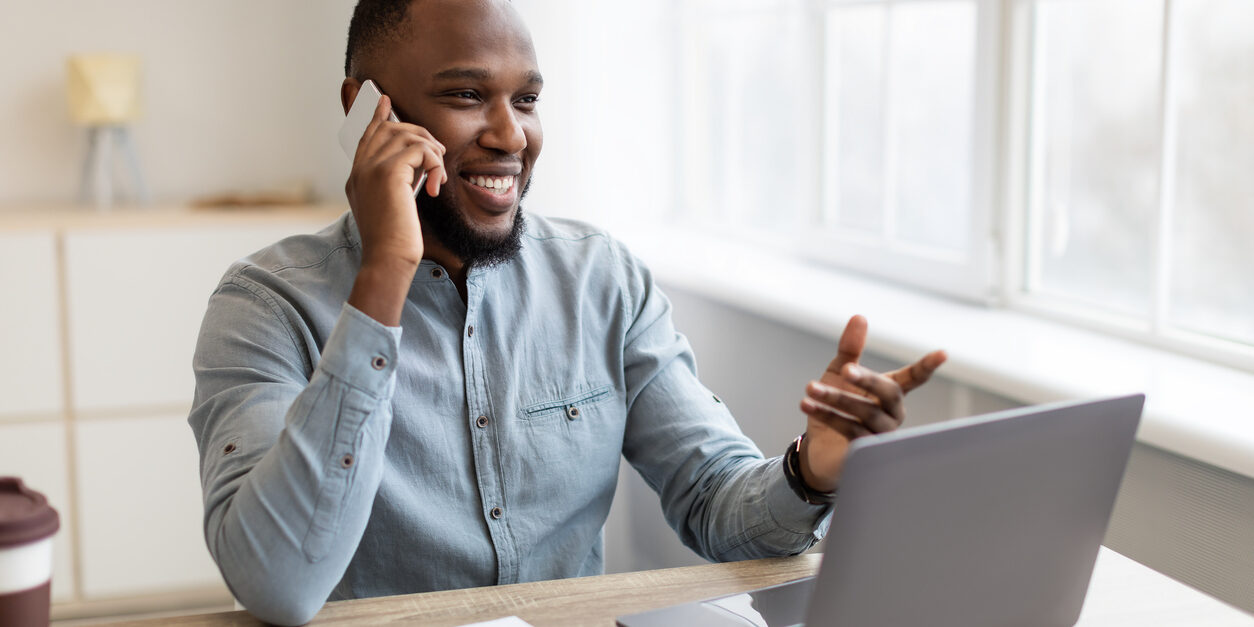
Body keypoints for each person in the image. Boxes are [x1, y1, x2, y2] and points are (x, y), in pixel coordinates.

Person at [187, 0, 947, 625]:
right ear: (365, 112)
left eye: (526, 100)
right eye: (465, 95)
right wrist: (387, 269)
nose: (511, 136)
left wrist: (813, 471)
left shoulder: (602, 279)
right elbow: (279, 582)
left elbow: (721, 507)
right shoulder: (264, 305)